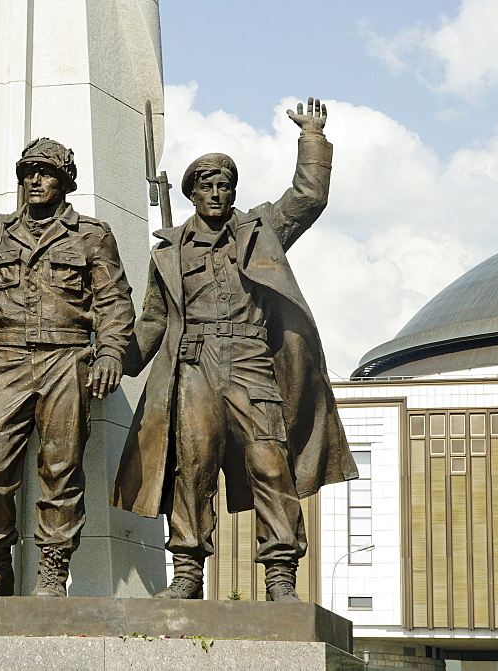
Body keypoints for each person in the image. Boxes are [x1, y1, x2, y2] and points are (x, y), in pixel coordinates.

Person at [111, 98, 358, 601]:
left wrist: (312, 138)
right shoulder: (169, 253)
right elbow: (153, 322)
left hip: (249, 360)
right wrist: (115, 359)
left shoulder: (260, 230)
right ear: (192, 193)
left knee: (270, 461)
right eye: (207, 184)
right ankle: (186, 572)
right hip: (193, 364)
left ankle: (281, 575)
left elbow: (308, 197)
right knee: (192, 465)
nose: (218, 192)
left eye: (226, 184)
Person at [0, 138, 134, 597]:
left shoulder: (92, 235)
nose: (34, 180)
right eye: (27, 172)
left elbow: (114, 301)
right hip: (7, 360)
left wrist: (111, 352)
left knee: (61, 469)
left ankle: (53, 568)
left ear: (65, 181)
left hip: (67, 358)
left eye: (45, 172)